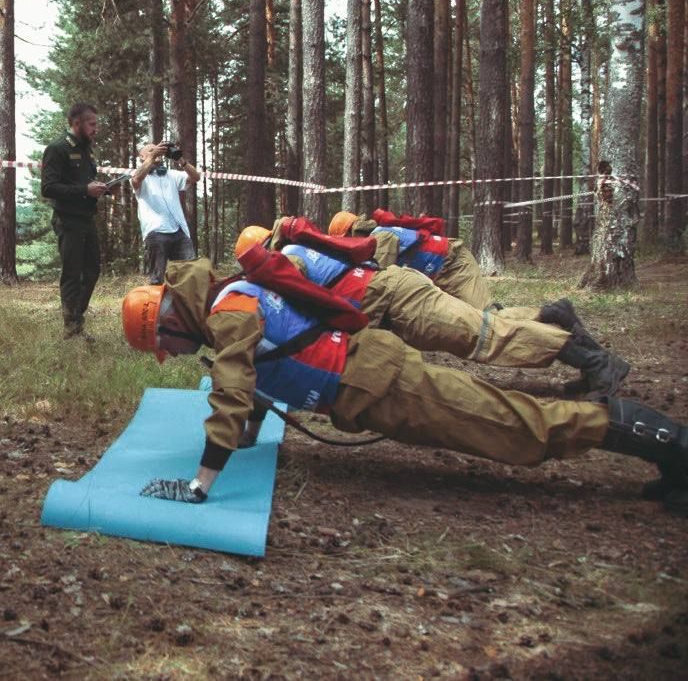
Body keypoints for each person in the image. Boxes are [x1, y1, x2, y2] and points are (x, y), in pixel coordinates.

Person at [120, 258, 688, 514]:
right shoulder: (230, 301)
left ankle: (668, 444)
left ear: (169, 321)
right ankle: (660, 448)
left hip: (385, 384)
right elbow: (263, 378)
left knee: (516, 429)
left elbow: (235, 387)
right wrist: (247, 437)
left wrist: (198, 486)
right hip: (376, 379)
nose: (168, 356)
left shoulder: (230, 314)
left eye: (162, 345)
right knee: (507, 423)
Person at [236, 220, 630, 401]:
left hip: (400, 300)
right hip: (396, 301)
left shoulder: (290, 260)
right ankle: (567, 336)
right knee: (482, 327)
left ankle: (596, 362)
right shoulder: (301, 249)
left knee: (482, 334)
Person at [328, 208, 492, 311]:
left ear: (352, 233)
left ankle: (515, 328)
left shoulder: (380, 237)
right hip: (438, 273)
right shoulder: (376, 237)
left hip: (455, 264)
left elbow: (379, 279)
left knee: (486, 314)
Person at [41, 102, 107, 339]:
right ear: (76, 123)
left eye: (96, 124)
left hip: (87, 219)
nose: (95, 128)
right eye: (91, 124)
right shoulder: (57, 148)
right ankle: (72, 328)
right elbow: (48, 188)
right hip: (68, 221)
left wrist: (103, 189)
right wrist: (84, 190)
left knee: (92, 270)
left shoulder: (87, 149)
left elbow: (84, 183)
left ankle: (76, 319)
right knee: (72, 274)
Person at [131, 141, 202, 284]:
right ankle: (154, 305)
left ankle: (183, 305)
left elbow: (196, 177)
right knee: (157, 280)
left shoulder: (172, 175)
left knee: (189, 276)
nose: (156, 151)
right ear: (142, 156)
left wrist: (180, 159)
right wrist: (153, 156)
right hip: (156, 233)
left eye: (158, 149)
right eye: (151, 150)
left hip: (179, 232)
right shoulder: (138, 174)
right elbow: (136, 179)